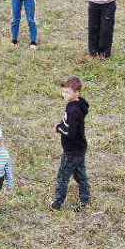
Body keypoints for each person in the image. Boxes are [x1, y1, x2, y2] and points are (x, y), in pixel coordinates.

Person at [51, 76, 90, 210]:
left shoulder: (73, 110)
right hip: (80, 148)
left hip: (72, 150)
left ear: (77, 93)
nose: (64, 94)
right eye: (63, 91)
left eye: (67, 92)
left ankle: (57, 203)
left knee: (62, 177)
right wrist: (62, 124)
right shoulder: (79, 103)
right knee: (80, 175)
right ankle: (85, 200)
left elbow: (71, 132)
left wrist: (59, 128)